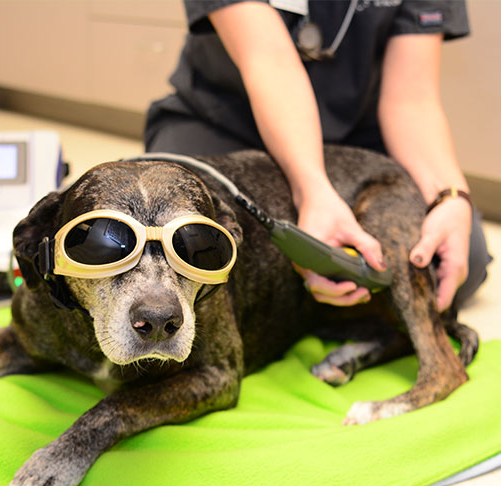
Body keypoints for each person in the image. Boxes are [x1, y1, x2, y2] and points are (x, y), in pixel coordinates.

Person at [145, 0, 491, 311]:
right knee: (185, 246)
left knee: (454, 262)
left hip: (356, 139)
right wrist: (313, 190)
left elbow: (411, 101)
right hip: (224, 121)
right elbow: (269, 63)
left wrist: (451, 195)